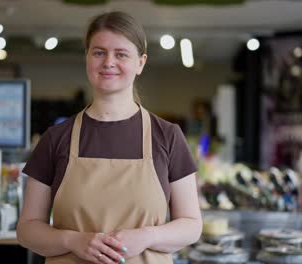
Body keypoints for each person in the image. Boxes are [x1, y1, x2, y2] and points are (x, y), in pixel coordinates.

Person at [17, 11, 202, 264]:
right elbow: (28, 229)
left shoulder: (168, 136)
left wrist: (147, 236)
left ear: (140, 62)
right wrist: (73, 241)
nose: (108, 62)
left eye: (121, 54)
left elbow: (191, 225)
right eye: (99, 52)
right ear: (87, 58)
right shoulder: (55, 138)